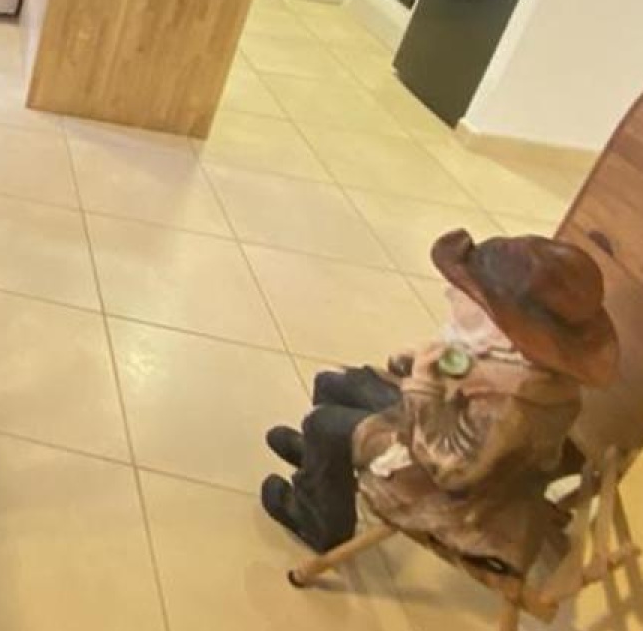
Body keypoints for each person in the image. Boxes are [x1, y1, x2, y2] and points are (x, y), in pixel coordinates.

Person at [261, 230, 617, 576]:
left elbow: (449, 470)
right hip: (442, 426)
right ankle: (324, 470)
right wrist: (425, 363)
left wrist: (421, 384)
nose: (452, 295)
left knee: (325, 425)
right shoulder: (516, 360)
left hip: (452, 495)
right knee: (337, 384)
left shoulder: (512, 407)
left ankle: (319, 520)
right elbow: (467, 368)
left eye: (470, 297)